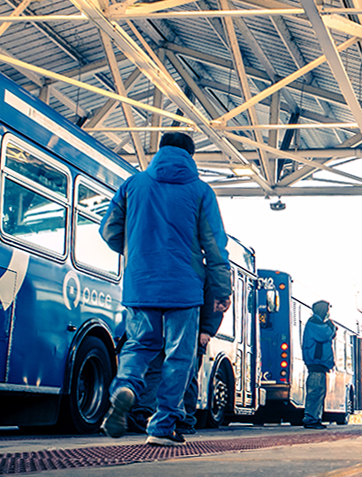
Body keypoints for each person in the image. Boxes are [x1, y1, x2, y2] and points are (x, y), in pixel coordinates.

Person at [99, 132, 232, 447]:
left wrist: (136, 253)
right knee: (179, 357)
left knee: (139, 346)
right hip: (184, 289)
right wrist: (222, 290)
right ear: (191, 155)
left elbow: (109, 231)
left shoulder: (132, 185)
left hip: (141, 283)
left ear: (159, 151)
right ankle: (161, 427)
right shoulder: (201, 191)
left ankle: (123, 389)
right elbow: (215, 247)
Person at [126, 287, 225, 435]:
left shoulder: (199, 274)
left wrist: (206, 330)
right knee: (156, 370)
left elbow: (216, 305)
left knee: (187, 376)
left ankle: (185, 420)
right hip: (168, 329)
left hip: (192, 332)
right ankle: (143, 412)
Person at [302, 300, 336, 429]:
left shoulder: (315, 323)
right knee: (315, 393)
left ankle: (315, 418)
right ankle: (311, 419)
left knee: (318, 393)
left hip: (319, 366)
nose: (328, 313)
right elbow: (325, 335)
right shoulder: (315, 323)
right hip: (316, 365)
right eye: (327, 310)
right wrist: (331, 326)